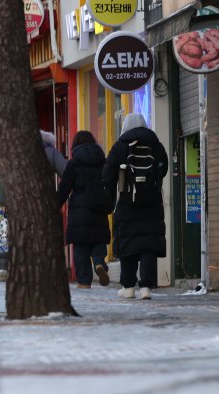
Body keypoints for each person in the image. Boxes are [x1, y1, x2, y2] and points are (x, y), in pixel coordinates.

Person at [102, 113, 168, 300]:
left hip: (127, 203)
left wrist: (110, 199)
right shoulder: (155, 144)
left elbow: (108, 174)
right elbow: (164, 167)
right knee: (148, 244)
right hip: (152, 203)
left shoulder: (120, 146)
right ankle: (146, 287)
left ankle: (129, 287)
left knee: (128, 244)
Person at [57, 131, 111, 289]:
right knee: (98, 241)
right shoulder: (103, 162)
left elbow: (64, 188)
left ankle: (84, 281)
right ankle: (100, 263)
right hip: (98, 208)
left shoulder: (73, 164)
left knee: (81, 246)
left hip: (79, 212)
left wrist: (53, 205)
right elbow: (109, 183)